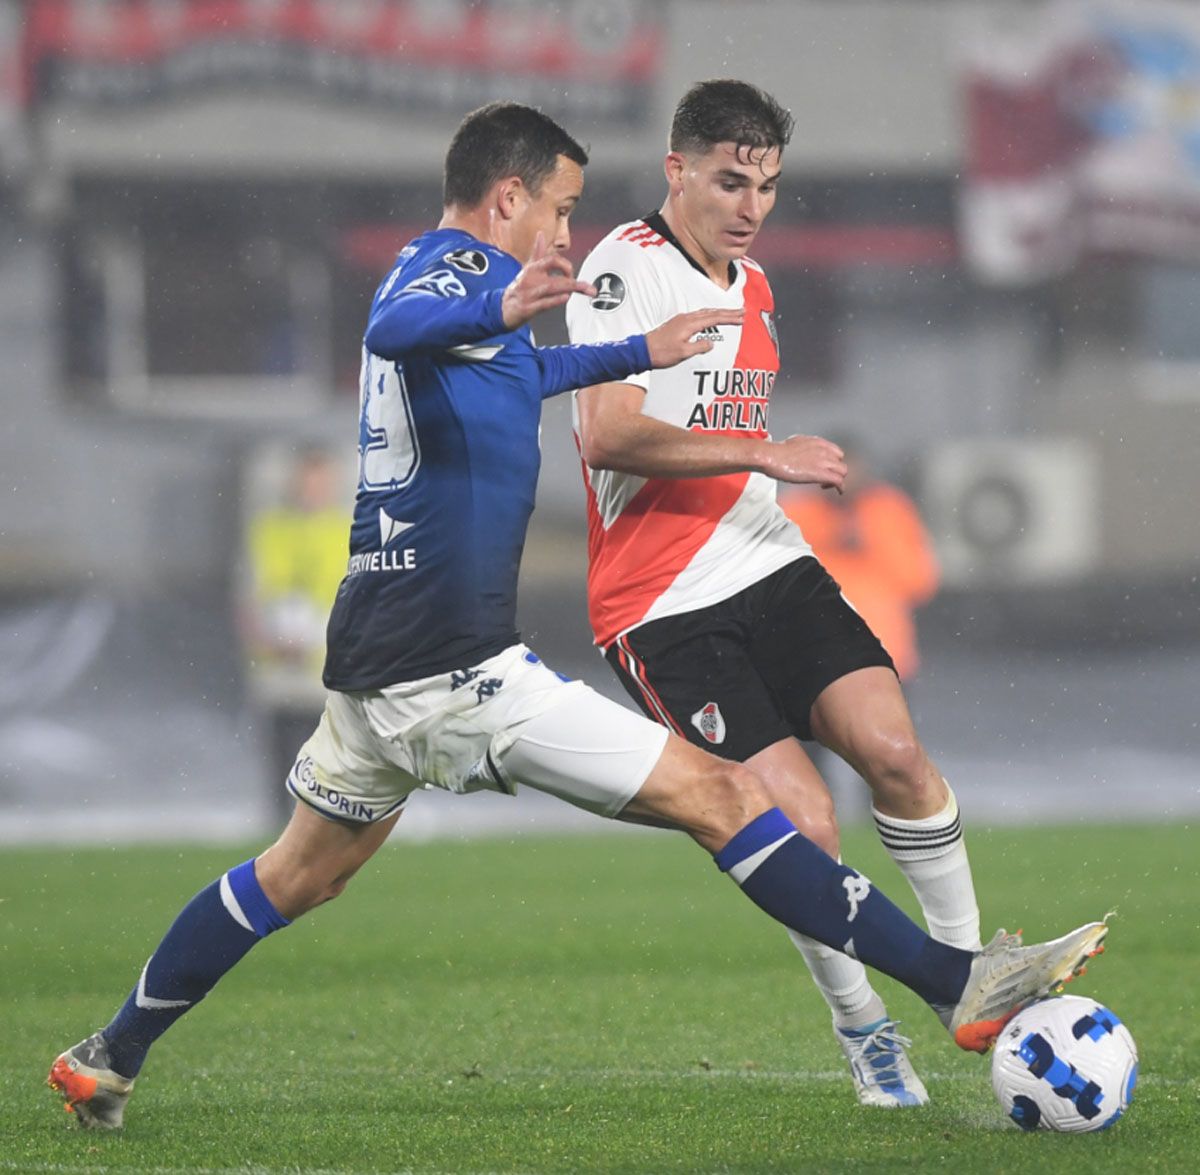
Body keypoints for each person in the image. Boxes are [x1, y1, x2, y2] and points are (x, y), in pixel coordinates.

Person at [48, 101, 1108, 1131]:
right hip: (458, 672)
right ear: (507, 195)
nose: (564, 233)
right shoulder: (451, 274)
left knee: (296, 872)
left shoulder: (464, 294)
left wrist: (636, 352)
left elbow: (530, 369)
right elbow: (396, 325)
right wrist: (503, 306)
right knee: (733, 798)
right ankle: (952, 982)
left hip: (376, 666)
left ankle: (110, 1052)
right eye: (557, 208)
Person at [566, 80, 982, 1108]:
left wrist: (760, 466)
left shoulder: (752, 284)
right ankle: (864, 1026)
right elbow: (605, 433)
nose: (751, 205)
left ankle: (973, 980)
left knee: (896, 754)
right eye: (729, 181)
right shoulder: (624, 267)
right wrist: (765, 452)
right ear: (676, 170)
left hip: (768, 562)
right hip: (661, 603)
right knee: (801, 822)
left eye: (768, 186)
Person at [240, 444, 349, 823]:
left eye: (321, 482)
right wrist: (267, 640)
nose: (314, 490)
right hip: (278, 665)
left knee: (330, 758)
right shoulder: (271, 530)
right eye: (308, 482)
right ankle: (282, 827)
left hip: (328, 668)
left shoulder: (349, 531)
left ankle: (326, 824)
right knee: (282, 756)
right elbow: (248, 593)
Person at [779, 436, 940, 684]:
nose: (844, 477)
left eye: (849, 467)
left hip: (883, 658)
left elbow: (920, 582)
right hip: (811, 658)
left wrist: (871, 543)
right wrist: (827, 539)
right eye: (833, 468)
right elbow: (776, 585)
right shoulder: (796, 511)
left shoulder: (889, 511)